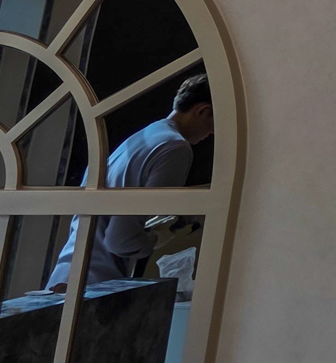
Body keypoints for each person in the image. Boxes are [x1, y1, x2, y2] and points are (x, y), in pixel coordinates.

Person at [46, 72, 212, 290]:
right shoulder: (175, 148)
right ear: (202, 111)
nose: (211, 134)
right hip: (95, 287)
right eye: (215, 125)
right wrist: (158, 238)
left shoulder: (144, 136)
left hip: (66, 276)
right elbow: (121, 241)